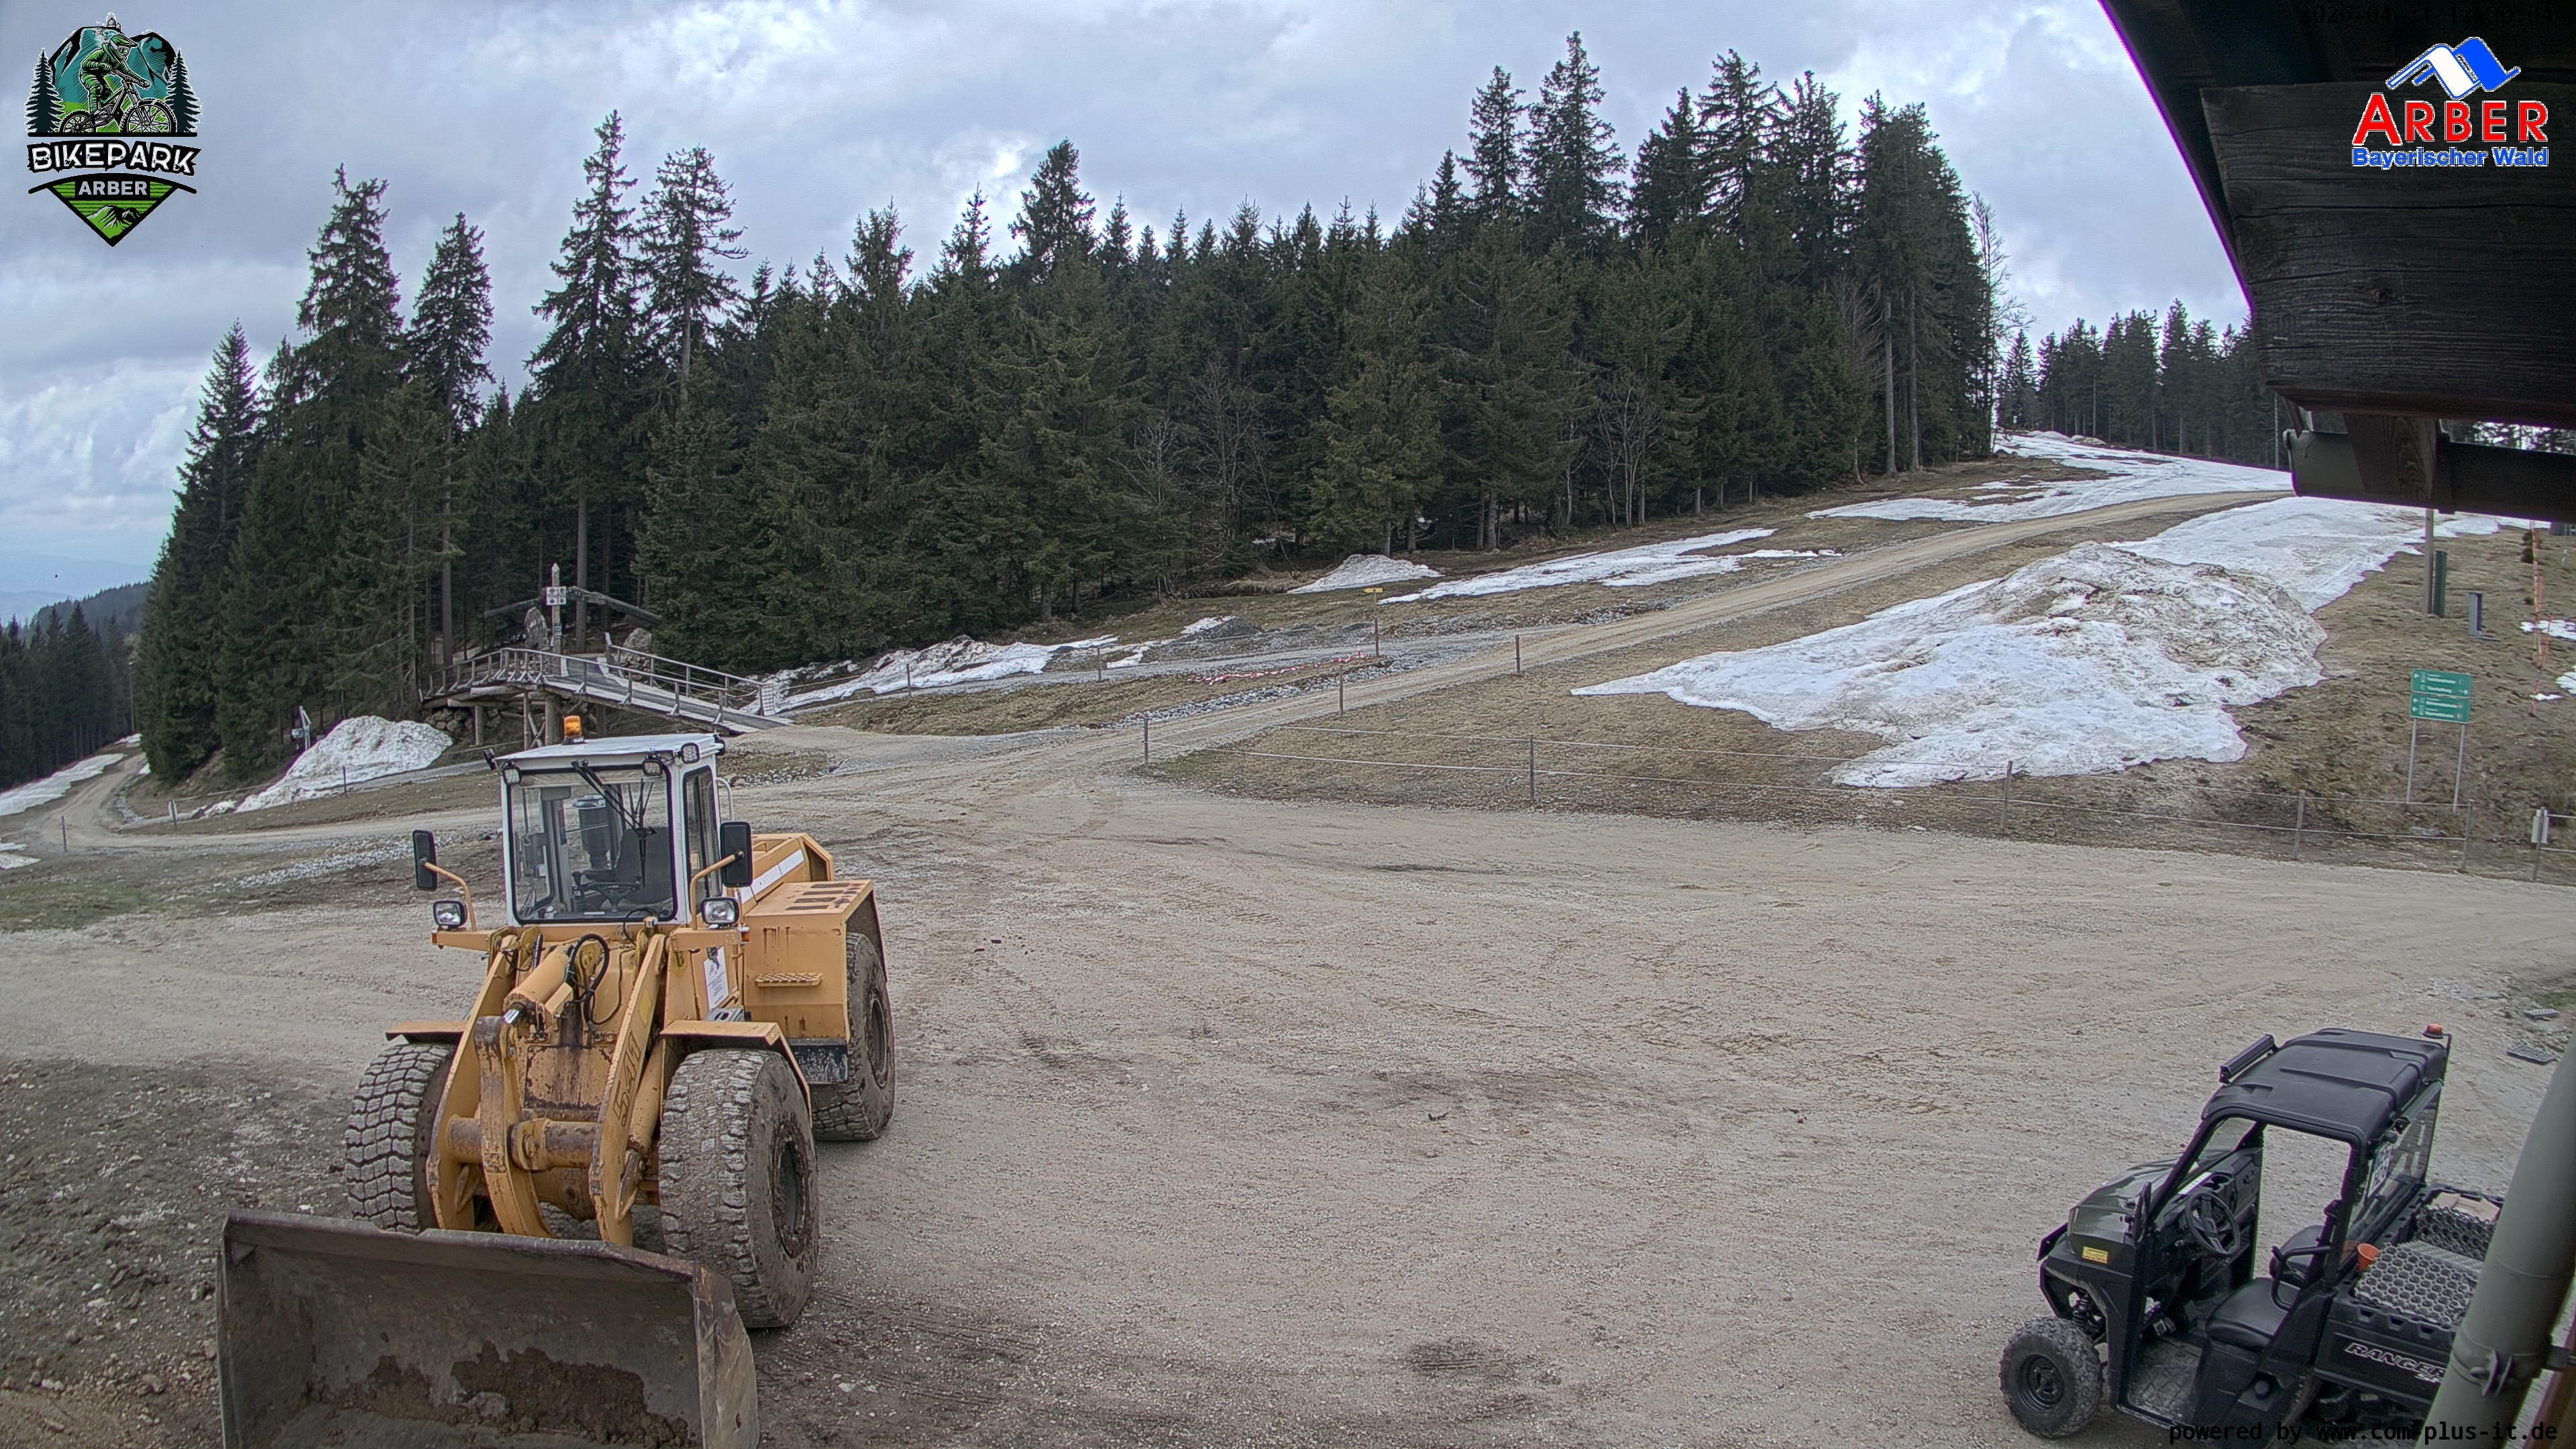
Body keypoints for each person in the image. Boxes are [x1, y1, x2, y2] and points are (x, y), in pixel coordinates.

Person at [76, 15, 148, 128]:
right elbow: (85, 64)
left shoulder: (119, 62)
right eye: (122, 50)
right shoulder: (102, 53)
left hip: (99, 77)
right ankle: (94, 112)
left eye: (127, 52)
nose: (124, 54)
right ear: (114, 47)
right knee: (97, 87)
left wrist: (141, 81)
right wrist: (101, 65)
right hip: (88, 74)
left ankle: (123, 128)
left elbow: (128, 72)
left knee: (115, 106)